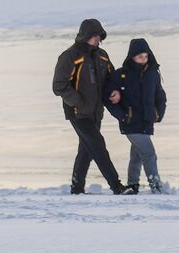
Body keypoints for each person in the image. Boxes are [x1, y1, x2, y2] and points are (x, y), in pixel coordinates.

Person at [52, 19, 127, 195]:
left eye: (100, 36)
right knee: (98, 146)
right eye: (94, 36)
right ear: (85, 35)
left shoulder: (102, 55)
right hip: (77, 112)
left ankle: (76, 189)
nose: (97, 40)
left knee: (86, 150)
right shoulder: (70, 56)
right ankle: (117, 186)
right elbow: (58, 86)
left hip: (96, 112)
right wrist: (78, 101)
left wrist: (116, 91)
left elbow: (111, 78)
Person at [105, 38, 167, 194]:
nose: (143, 60)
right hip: (130, 122)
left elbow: (160, 95)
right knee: (149, 154)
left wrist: (158, 114)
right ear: (132, 56)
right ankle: (156, 186)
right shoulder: (121, 74)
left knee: (137, 156)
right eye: (140, 57)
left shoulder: (152, 73)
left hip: (147, 121)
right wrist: (123, 116)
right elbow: (108, 98)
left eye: (145, 56)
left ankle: (133, 185)